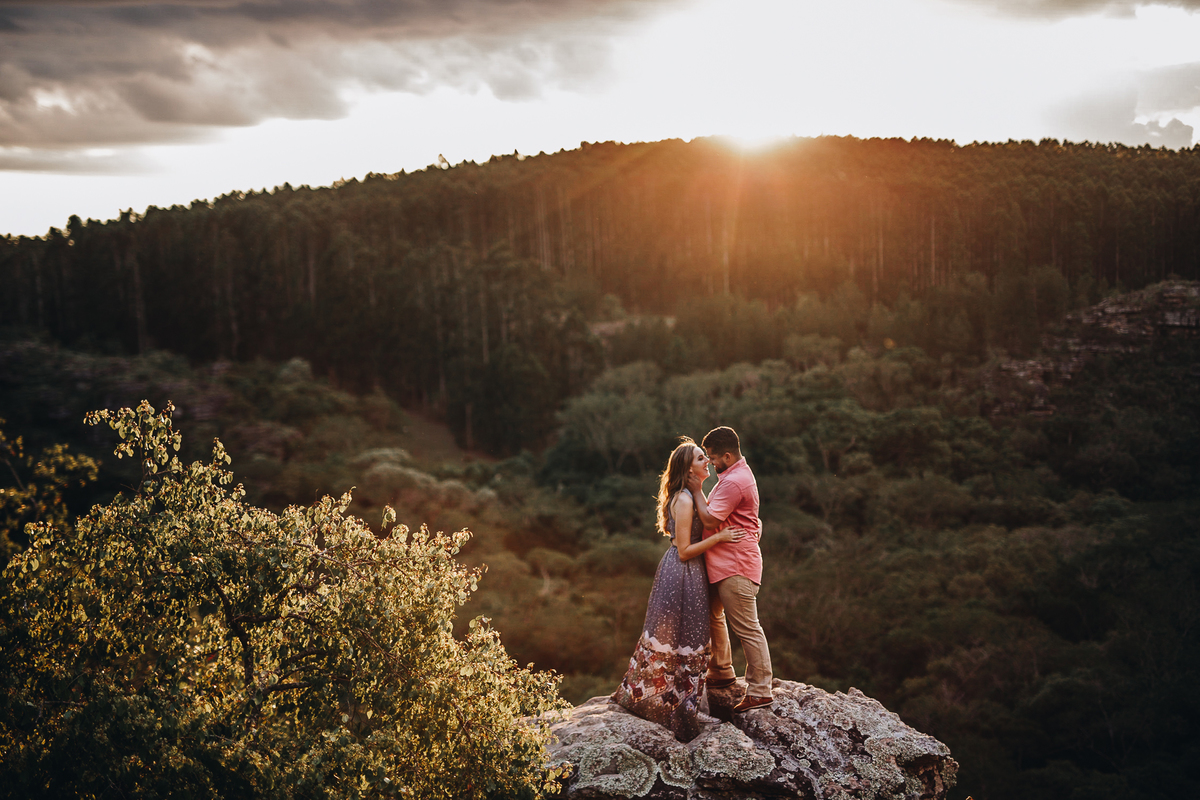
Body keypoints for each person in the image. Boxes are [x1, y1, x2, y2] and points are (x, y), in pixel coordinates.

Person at [612, 438, 747, 742]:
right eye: (701, 459)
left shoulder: (692, 493)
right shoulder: (684, 500)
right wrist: (721, 537)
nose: (707, 462)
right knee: (678, 637)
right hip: (682, 570)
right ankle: (670, 707)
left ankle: (681, 703)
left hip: (690, 571)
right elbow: (684, 550)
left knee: (687, 636)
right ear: (688, 469)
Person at [687, 426, 774, 713]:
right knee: (714, 616)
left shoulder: (734, 481)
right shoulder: (733, 477)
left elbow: (711, 520)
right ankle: (722, 670)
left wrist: (698, 490)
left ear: (727, 455)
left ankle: (761, 689)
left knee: (747, 628)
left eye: (712, 458)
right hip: (723, 563)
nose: (710, 463)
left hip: (735, 565)